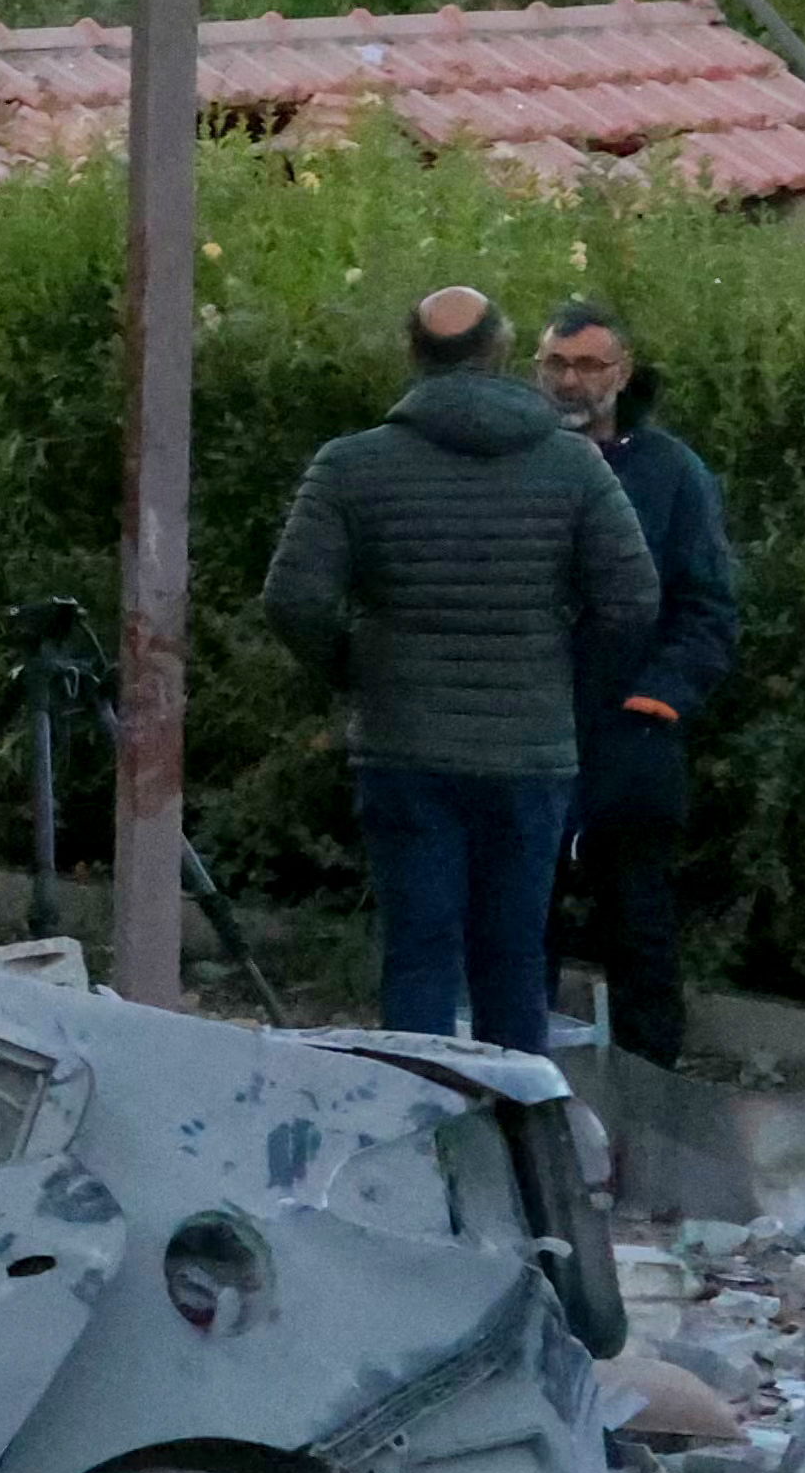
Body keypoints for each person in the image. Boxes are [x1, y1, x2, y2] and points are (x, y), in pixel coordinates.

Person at [259, 279, 657, 1046]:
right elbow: (633, 601)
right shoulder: (574, 466)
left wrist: (359, 671)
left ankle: (421, 1104)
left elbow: (293, 599)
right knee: (514, 957)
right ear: (503, 351)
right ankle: (514, 1115)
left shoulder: (350, 465)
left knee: (419, 954)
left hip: (403, 744)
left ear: (413, 354)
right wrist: (560, 681)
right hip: (529, 749)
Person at [538, 300, 742, 1065]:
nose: (571, 381)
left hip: (632, 733)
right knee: (517, 925)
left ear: (622, 373)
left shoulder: (672, 474)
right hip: (526, 726)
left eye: (589, 365)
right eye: (556, 364)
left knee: (639, 929)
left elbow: (708, 606)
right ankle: (519, 1094)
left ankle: (651, 1095)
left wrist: (659, 696)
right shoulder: (518, 457)